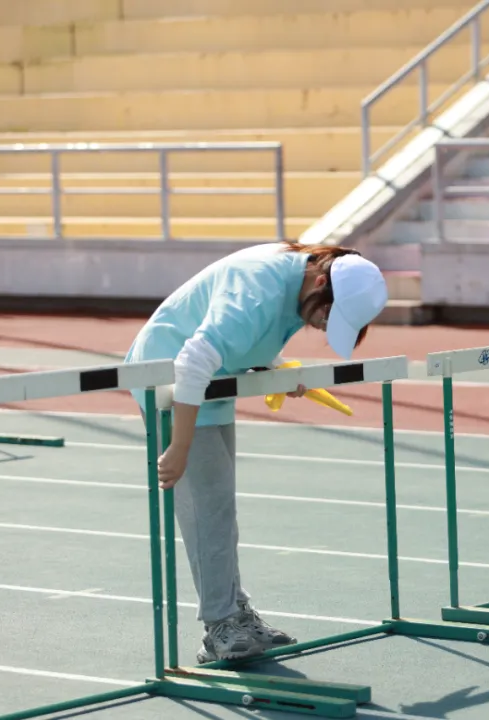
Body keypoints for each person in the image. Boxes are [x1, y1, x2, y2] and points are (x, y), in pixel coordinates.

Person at [124, 241, 389, 663]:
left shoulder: (298, 281)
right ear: (319, 282)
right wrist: (180, 444)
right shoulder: (257, 286)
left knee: (220, 511)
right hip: (172, 383)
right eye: (328, 315)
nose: (323, 326)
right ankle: (220, 628)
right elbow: (193, 360)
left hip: (211, 384)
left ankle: (236, 613)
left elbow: (247, 337)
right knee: (207, 511)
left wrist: (272, 366)